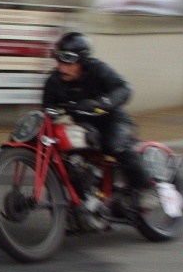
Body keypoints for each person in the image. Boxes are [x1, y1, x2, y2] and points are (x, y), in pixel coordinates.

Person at [42, 32, 158, 210]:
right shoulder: (54, 82)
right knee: (68, 156)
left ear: (83, 60)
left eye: (68, 60)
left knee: (113, 145)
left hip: (113, 121)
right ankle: (82, 200)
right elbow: (47, 110)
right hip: (85, 126)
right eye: (59, 59)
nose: (62, 67)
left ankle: (146, 188)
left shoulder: (98, 70)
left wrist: (100, 103)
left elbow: (124, 88)